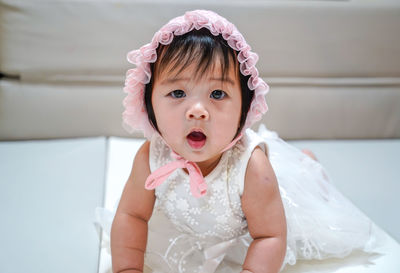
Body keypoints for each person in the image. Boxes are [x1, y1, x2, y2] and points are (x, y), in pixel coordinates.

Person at [98, 10, 376, 273]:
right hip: (187, 229)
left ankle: (307, 164)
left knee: (306, 183)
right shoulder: (151, 156)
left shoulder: (252, 168)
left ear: (245, 109)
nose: (197, 110)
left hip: (252, 221)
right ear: (149, 104)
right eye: (178, 92)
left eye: (217, 94)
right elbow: (131, 216)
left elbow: (269, 236)